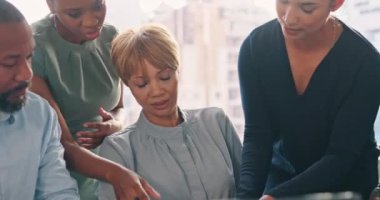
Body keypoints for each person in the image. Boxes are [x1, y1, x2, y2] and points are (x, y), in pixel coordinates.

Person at [237, 0, 380, 200]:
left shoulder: (365, 62)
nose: (288, 18)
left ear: (336, 4)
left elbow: (341, 155)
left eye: (307, 8)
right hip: (280, 180)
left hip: (346, 185)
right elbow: (257, 136)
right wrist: (245, 197)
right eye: (283, 1)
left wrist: (276, 197)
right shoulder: (255, 47)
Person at [28, 0, 160, 199]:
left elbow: (119, 107)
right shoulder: (32, 47)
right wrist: (117, 174)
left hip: (110, 166)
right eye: (74, 13)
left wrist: (115, 125)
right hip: (62, 177)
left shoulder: (110, 37)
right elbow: (61, 143)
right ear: (50, 5)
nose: (91, 21)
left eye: (98, 6)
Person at [97, 23, 242, 200]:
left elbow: (252, 188)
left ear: (177, 71)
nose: (157, 91)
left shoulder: (216, 121)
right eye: (142, 84)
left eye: (165, 77)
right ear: (128, 85)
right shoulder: (118, 150)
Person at [0, 1, 79, 199]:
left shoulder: (40, 115)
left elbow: (58, 192)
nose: (27, 74)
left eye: (29, 57)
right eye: (10, 63)